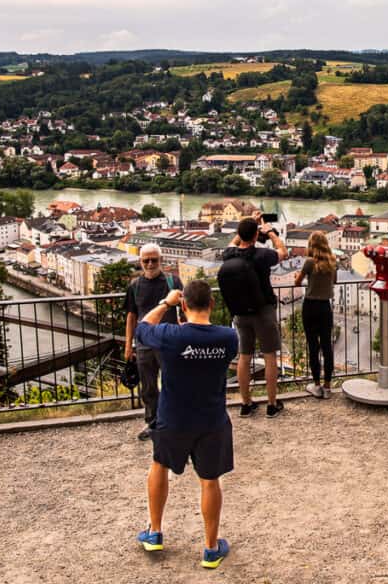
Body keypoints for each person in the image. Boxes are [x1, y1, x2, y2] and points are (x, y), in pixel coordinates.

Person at [134, 280, 238, 570]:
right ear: (212, 305)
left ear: (184, 305)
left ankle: (154, 532)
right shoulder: (228, 338)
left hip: (173, 418)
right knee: (210, 480)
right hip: (211, 419)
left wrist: (165, 303)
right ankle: (210, 548)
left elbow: (142, 328)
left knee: (159, 467)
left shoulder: (171, 336)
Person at [221, 212, 288, 418]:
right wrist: (269, 231)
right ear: (255, 236)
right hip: (263, 311)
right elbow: (282, 252)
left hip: (239, 313)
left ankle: (246, 403)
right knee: (269, 356)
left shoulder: (229, 254)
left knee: (244, 356)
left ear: (240, 234)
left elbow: (234, 242)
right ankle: (271, 403)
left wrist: (246, 223)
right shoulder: (261, 255)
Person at [124, 243, 183, 441]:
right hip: (144, 344)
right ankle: (153, 421)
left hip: (169, 341)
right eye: (146, 260)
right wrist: (128, 346)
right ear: (140, 262)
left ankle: (172, 420)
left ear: (161, 260)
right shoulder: (134, 286)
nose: (150, 264)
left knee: (172, 383)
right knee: (148, 386)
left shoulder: (173, 282)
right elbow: (131, 317)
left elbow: (184, 311)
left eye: (153, 260)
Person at [294, 230, 337, 398]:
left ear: (311, 245)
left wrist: (300, 276)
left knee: (313, 346)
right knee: (327, 346)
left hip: (310, 306)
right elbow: (334, 281)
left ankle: (317, 385)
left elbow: (298, 282)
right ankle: (327, 387)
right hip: (325, 307)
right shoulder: (333, 261)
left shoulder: (309, 262)